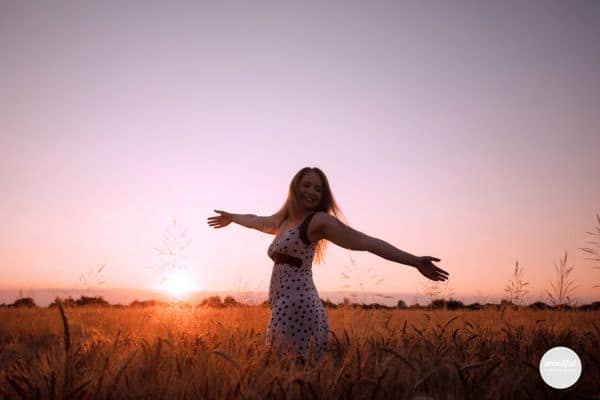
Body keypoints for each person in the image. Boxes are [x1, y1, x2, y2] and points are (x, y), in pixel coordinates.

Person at [207, 166, 449, 360]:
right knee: (283, 372)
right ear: (295, 188)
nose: (312, 192)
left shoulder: (318, 221)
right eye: (307, 185)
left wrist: (415, 261)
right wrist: (232, 217)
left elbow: (366, 241)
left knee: (293, 372)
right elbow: (255, 220)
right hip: (281, 306)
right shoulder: (283, 221)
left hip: (299, 306)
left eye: (318, 189)